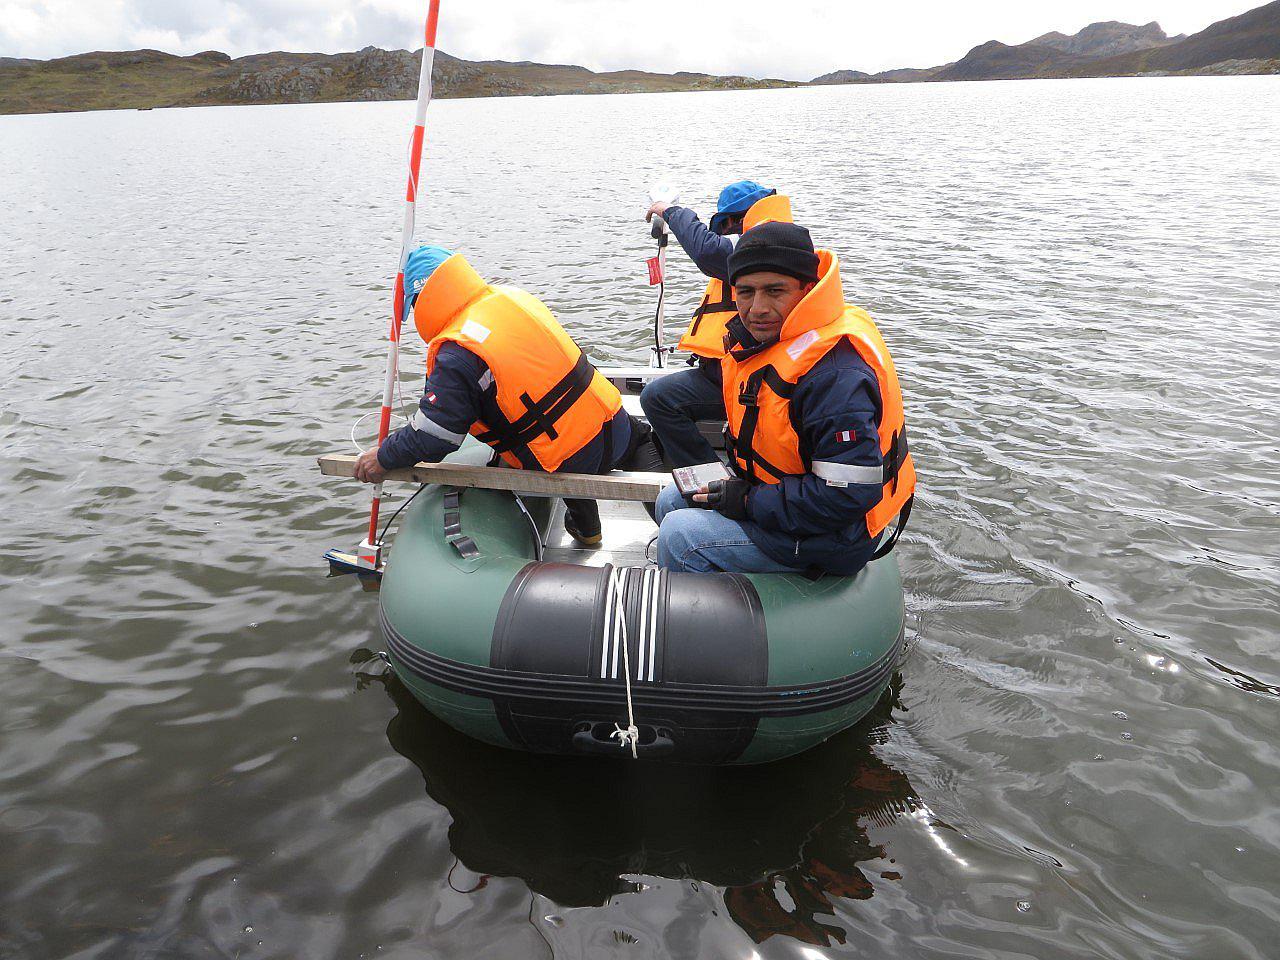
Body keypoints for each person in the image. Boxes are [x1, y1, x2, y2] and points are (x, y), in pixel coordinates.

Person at [654, 222, 916, 577]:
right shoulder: (774, 341)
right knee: (671, 498)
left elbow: (847, 496)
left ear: (807, 289)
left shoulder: (835, 378)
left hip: (836, 535)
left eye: (775, 291)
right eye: (745, 292)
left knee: (680, 536)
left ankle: (707, 602)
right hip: (786, 501)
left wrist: (746, 501)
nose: (757, 308)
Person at [354, 245, 657, 546]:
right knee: (639, 439)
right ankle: (662, 516)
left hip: (567, 458)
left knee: (550, 447)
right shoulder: (512, 297)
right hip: (611, 422)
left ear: (419, 302)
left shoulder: (456, 351)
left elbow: (435, 437)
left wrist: (382, 457)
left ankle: (588, 528)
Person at [640, 181, 794, 468]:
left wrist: (671, 211)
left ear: (737, 220)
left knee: (659, 399)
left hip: (756, 379)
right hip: (726, 373)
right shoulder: (770, 244)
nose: (724, 233)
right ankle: (709, 474)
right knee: (658, 396)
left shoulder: (767, 246)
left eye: (725, 226)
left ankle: (710, 475)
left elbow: (707, 250)